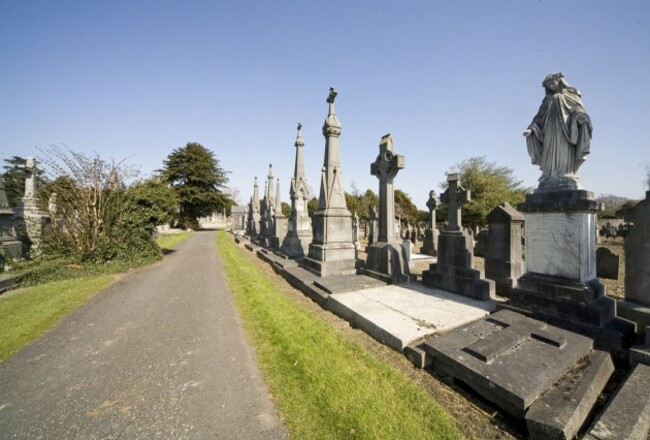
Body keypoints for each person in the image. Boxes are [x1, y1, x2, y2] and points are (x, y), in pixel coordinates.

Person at [523, 72, 592, 191]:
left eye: (552, 82)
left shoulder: (568, 95)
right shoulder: (547, 99)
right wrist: (531, 128)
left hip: (565, 132)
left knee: (564, 152)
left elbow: (578, 110)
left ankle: (565, 175)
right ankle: (549, 175)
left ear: (559, 82)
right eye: (548, 84)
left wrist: (580, 118)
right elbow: (539, 117)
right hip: (548, 131)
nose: (551, 85)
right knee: (548, 152)